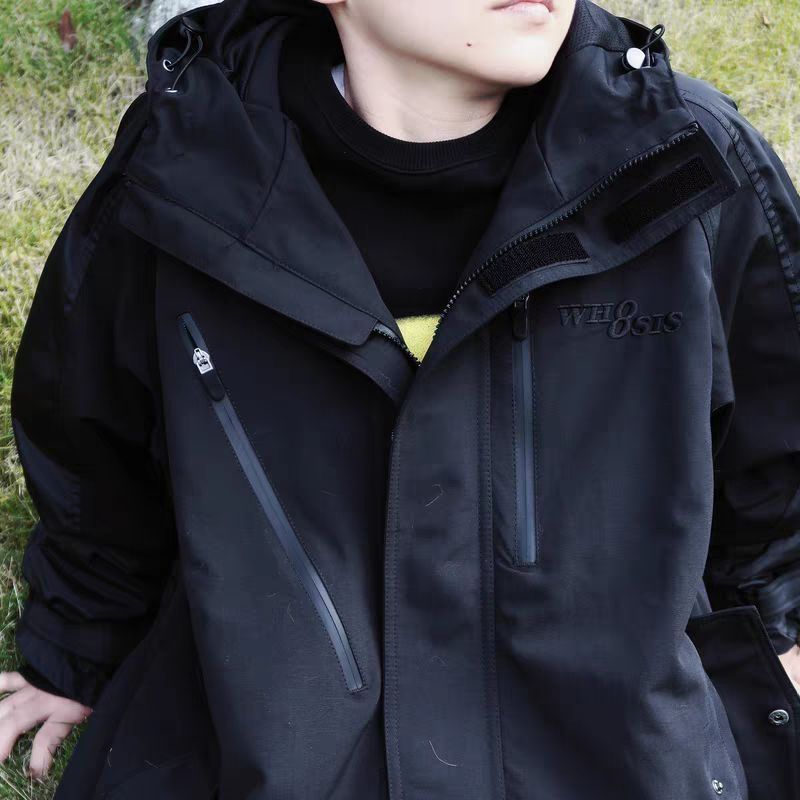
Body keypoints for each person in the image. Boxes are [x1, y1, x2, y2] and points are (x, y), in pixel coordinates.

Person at [3, 0, 800, 796]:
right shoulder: (190, 168)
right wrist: (77, 644)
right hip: (287, 737)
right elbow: (92, 432)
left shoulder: (676, 158)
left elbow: (775, 436)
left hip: (605, 739)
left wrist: (782, 626)